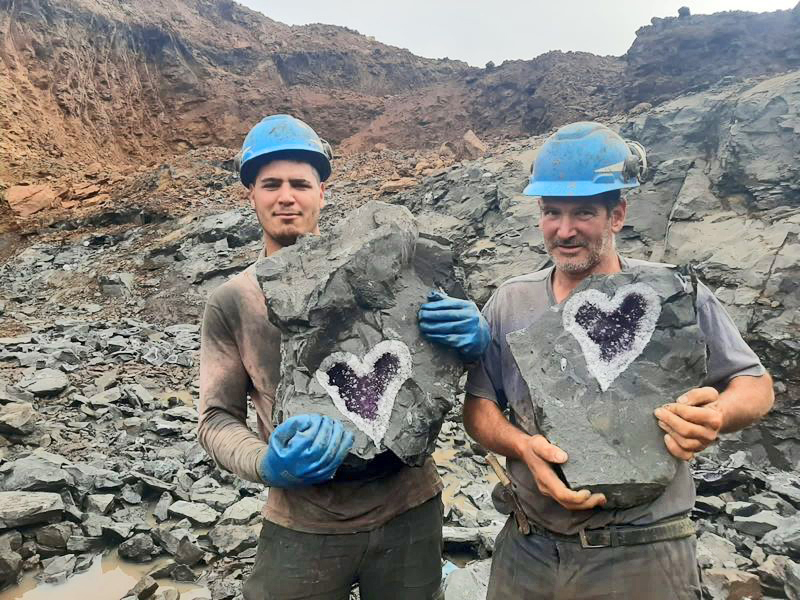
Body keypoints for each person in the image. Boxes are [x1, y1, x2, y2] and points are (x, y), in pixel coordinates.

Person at [462, 121, 775, 600]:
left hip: (644, 552)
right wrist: (522, 448)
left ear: (618, 213)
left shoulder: (672, 293)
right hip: (528, 548)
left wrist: (715, 415)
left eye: (583, 212)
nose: (564, 230)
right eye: (551, 212)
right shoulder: (510, 301)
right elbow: (479, 408)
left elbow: (755, 385)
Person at [197, 114, 489, 600]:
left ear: (321, 192)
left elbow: (448, 381)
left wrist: (480, 341)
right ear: (251, 194)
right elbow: (214, 419)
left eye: (299, 183)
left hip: (410, 508)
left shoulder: (391, 272)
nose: (286, 196)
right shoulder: (234, 301)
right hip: (303, 521)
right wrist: (267, 463)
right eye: (270, 184)